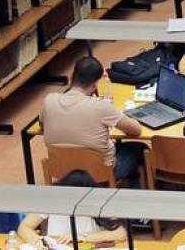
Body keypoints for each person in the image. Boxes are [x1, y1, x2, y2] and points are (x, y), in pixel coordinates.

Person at [40, 56, 143, 186]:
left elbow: (42, 124)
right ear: (95, 84)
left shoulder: (49, 100)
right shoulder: (101, 106)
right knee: (139, 149)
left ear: (72, 77)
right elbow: (136, 130)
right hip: (100, 172)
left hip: (62, 170)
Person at [18, 170, 127, 249]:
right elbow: (24, 227)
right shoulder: (51, 198)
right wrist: (38, 241)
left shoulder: (99, 202)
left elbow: (121, 233)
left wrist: (83, 237)